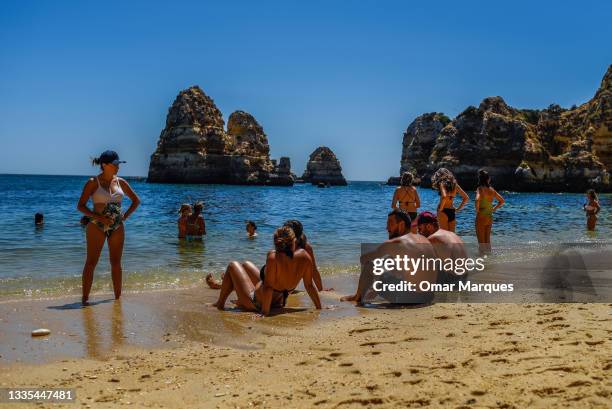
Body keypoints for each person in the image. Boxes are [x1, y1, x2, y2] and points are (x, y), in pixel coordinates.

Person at [77, 150, 140, 305]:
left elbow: (136, 201)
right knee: (91, 262)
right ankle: (84, 299)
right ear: (104, 165)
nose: (118, 167)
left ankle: (118, 299)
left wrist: (124, 217)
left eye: (119, 164)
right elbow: (80, 206)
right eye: (115, 164)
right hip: (96, 225)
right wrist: (98, 217)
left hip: (117, 227)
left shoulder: (121, 182)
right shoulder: (93, 182)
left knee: (116, 263)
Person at [212, 226, 321, 316]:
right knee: (246, 264)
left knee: (232, 265)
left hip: (256, 303)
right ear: (294, 241)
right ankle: (236, 296)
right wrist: (319, 307)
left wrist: (264, 313)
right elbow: (309, 286)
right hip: (279, 302)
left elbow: (268, 287)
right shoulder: (305, 256)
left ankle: (220, 304)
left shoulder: (273, 257)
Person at [340, 209, 436, 305]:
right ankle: (373, 292)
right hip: (429, 296)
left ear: (401, 225)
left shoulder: (396, 243)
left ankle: (358, 297)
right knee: (391, 263)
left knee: (370, 265)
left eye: (390, 223)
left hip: (411, 299)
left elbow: (364, 259)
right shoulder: (423, 239)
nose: (387, 228)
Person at [283, 219, 333, 291]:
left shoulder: (305, 247)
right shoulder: (283, 245)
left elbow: (313, 270)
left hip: (286, 286)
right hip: (284, 285)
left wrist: (321, 289)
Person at [474, 170, 505, 252]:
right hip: (489, 217)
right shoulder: (492, 190)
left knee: (481, 244)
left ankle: (483, 262)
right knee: (487, 242)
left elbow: (477, 200)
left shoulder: (480, 189)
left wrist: (477, 210)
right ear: (488, 179)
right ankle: (489, 262)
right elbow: (502, 201)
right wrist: (494, 209)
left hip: (481, 217)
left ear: (480, 179)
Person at [431, 168, 468, 232]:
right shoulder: (455, 184)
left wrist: (440, 209)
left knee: (444, 235)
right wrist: (458, 209)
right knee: (451, 236)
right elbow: (466, 197)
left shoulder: (441, 183)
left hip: (443, 211)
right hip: (452, 210)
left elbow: (444, 197)